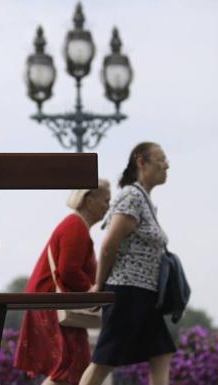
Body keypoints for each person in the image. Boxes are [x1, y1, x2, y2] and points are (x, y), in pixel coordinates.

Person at [79, 142, 175, 385]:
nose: (167, 165)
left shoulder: (144, 200)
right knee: (104, 361)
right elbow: (109, 244)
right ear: (141, 162)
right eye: (160, 160)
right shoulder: (132, 196)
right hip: (127, 291)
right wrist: (99, 287)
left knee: (161, 352)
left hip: (145, 294)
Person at [14, 180, 111, 385]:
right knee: (70, 364)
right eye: (105, 200)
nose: (108, 207)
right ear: (89, 200)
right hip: (51, 302)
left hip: (49, 301)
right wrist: (90, 290)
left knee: (71, 364)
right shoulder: (75, 226)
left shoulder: (75, 225)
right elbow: (68, 271)